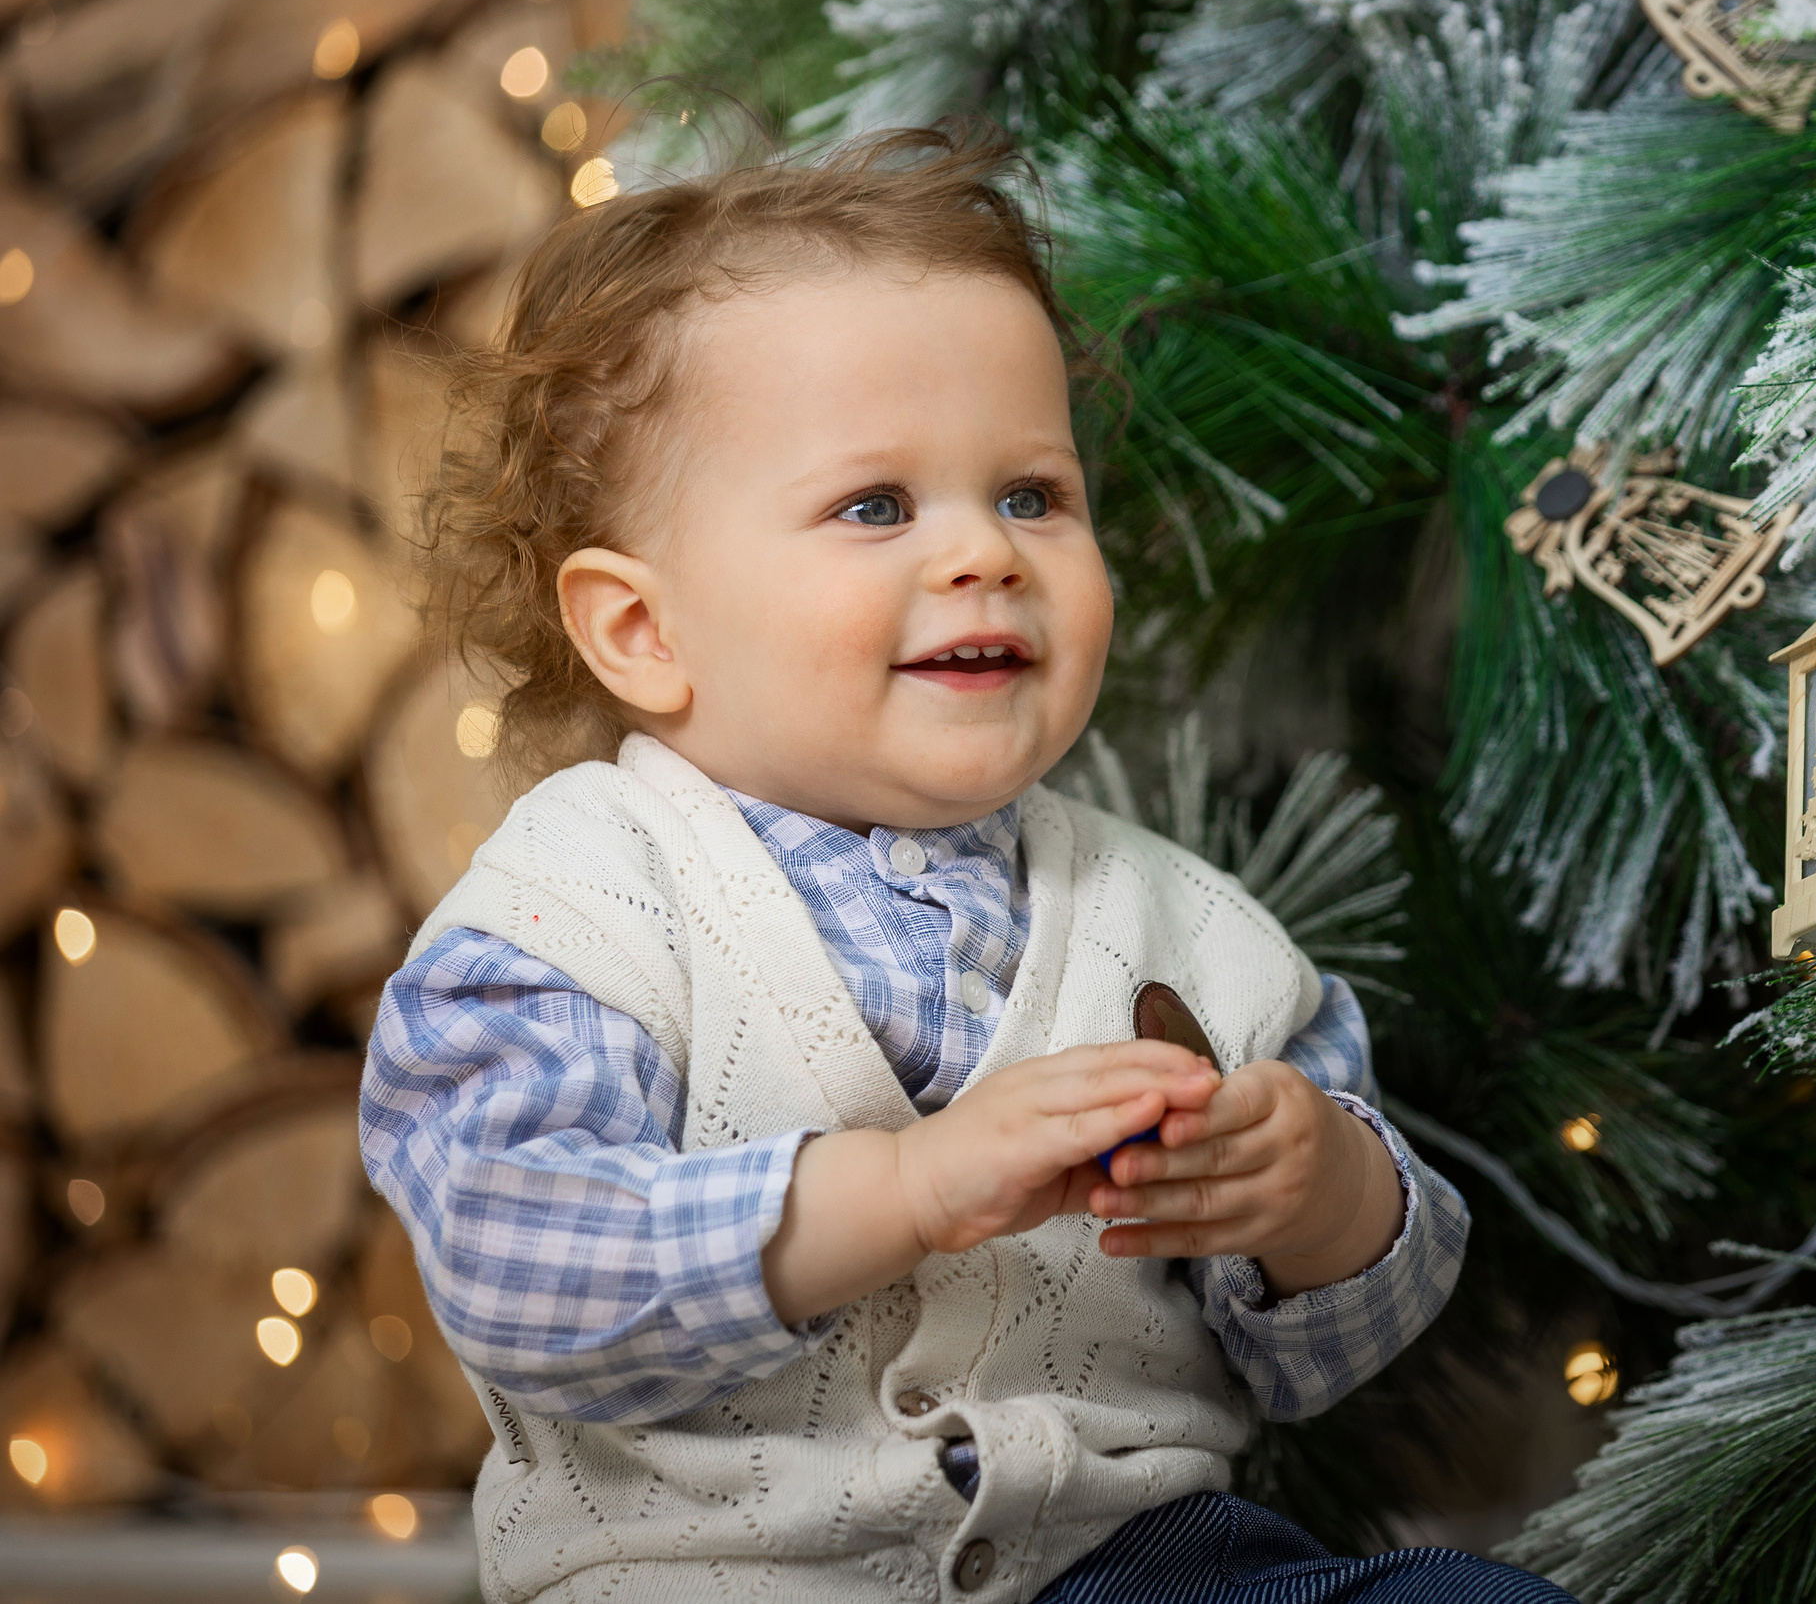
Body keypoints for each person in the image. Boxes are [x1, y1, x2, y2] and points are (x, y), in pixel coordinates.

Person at [357, 123, 1575, 1604]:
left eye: (1031, 496)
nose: (985, 554)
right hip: (714, 1573)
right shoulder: (573, 912)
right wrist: (903, 1191)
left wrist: (1320, 1202)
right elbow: (520, 1265)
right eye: (876, 506)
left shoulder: (1183, 927)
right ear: (641, 631)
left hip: (1132, 1562)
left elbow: (1324, 1356)